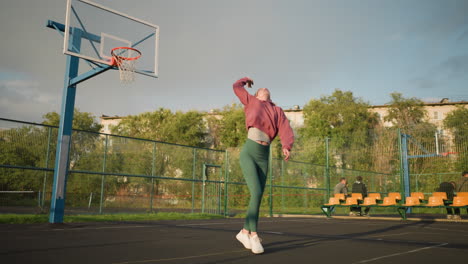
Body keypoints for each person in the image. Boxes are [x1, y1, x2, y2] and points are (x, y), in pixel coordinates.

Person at [233, 77, 294, 254]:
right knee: (257, 192)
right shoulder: (251, 100)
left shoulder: (277, 110)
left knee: (258, 196)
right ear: (258, 94)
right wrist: (244, 80)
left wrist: (286, 146)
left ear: (269, 96)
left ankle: (244, 231)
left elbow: (285, 129)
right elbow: (236, 87)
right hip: (250, 152)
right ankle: (253, 234)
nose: (265, 88)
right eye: (262, 89)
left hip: (264, 155)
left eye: (268, 89)